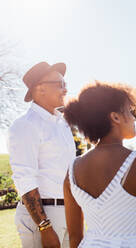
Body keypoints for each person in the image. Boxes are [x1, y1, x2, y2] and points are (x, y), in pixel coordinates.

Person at [63, 81, 136, 247]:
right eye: (130, 111)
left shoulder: (72, 170)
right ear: (115, 117)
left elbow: (75, 237)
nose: (134, 118)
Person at [7, 62, 76, 247]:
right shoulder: (25, 125)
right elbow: (25, 178)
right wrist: (44, 227)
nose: (65, 89)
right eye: (60, 84)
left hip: (69, 212)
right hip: (43, 217)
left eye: (65, 84)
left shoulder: (63, 125)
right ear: (40, 88)